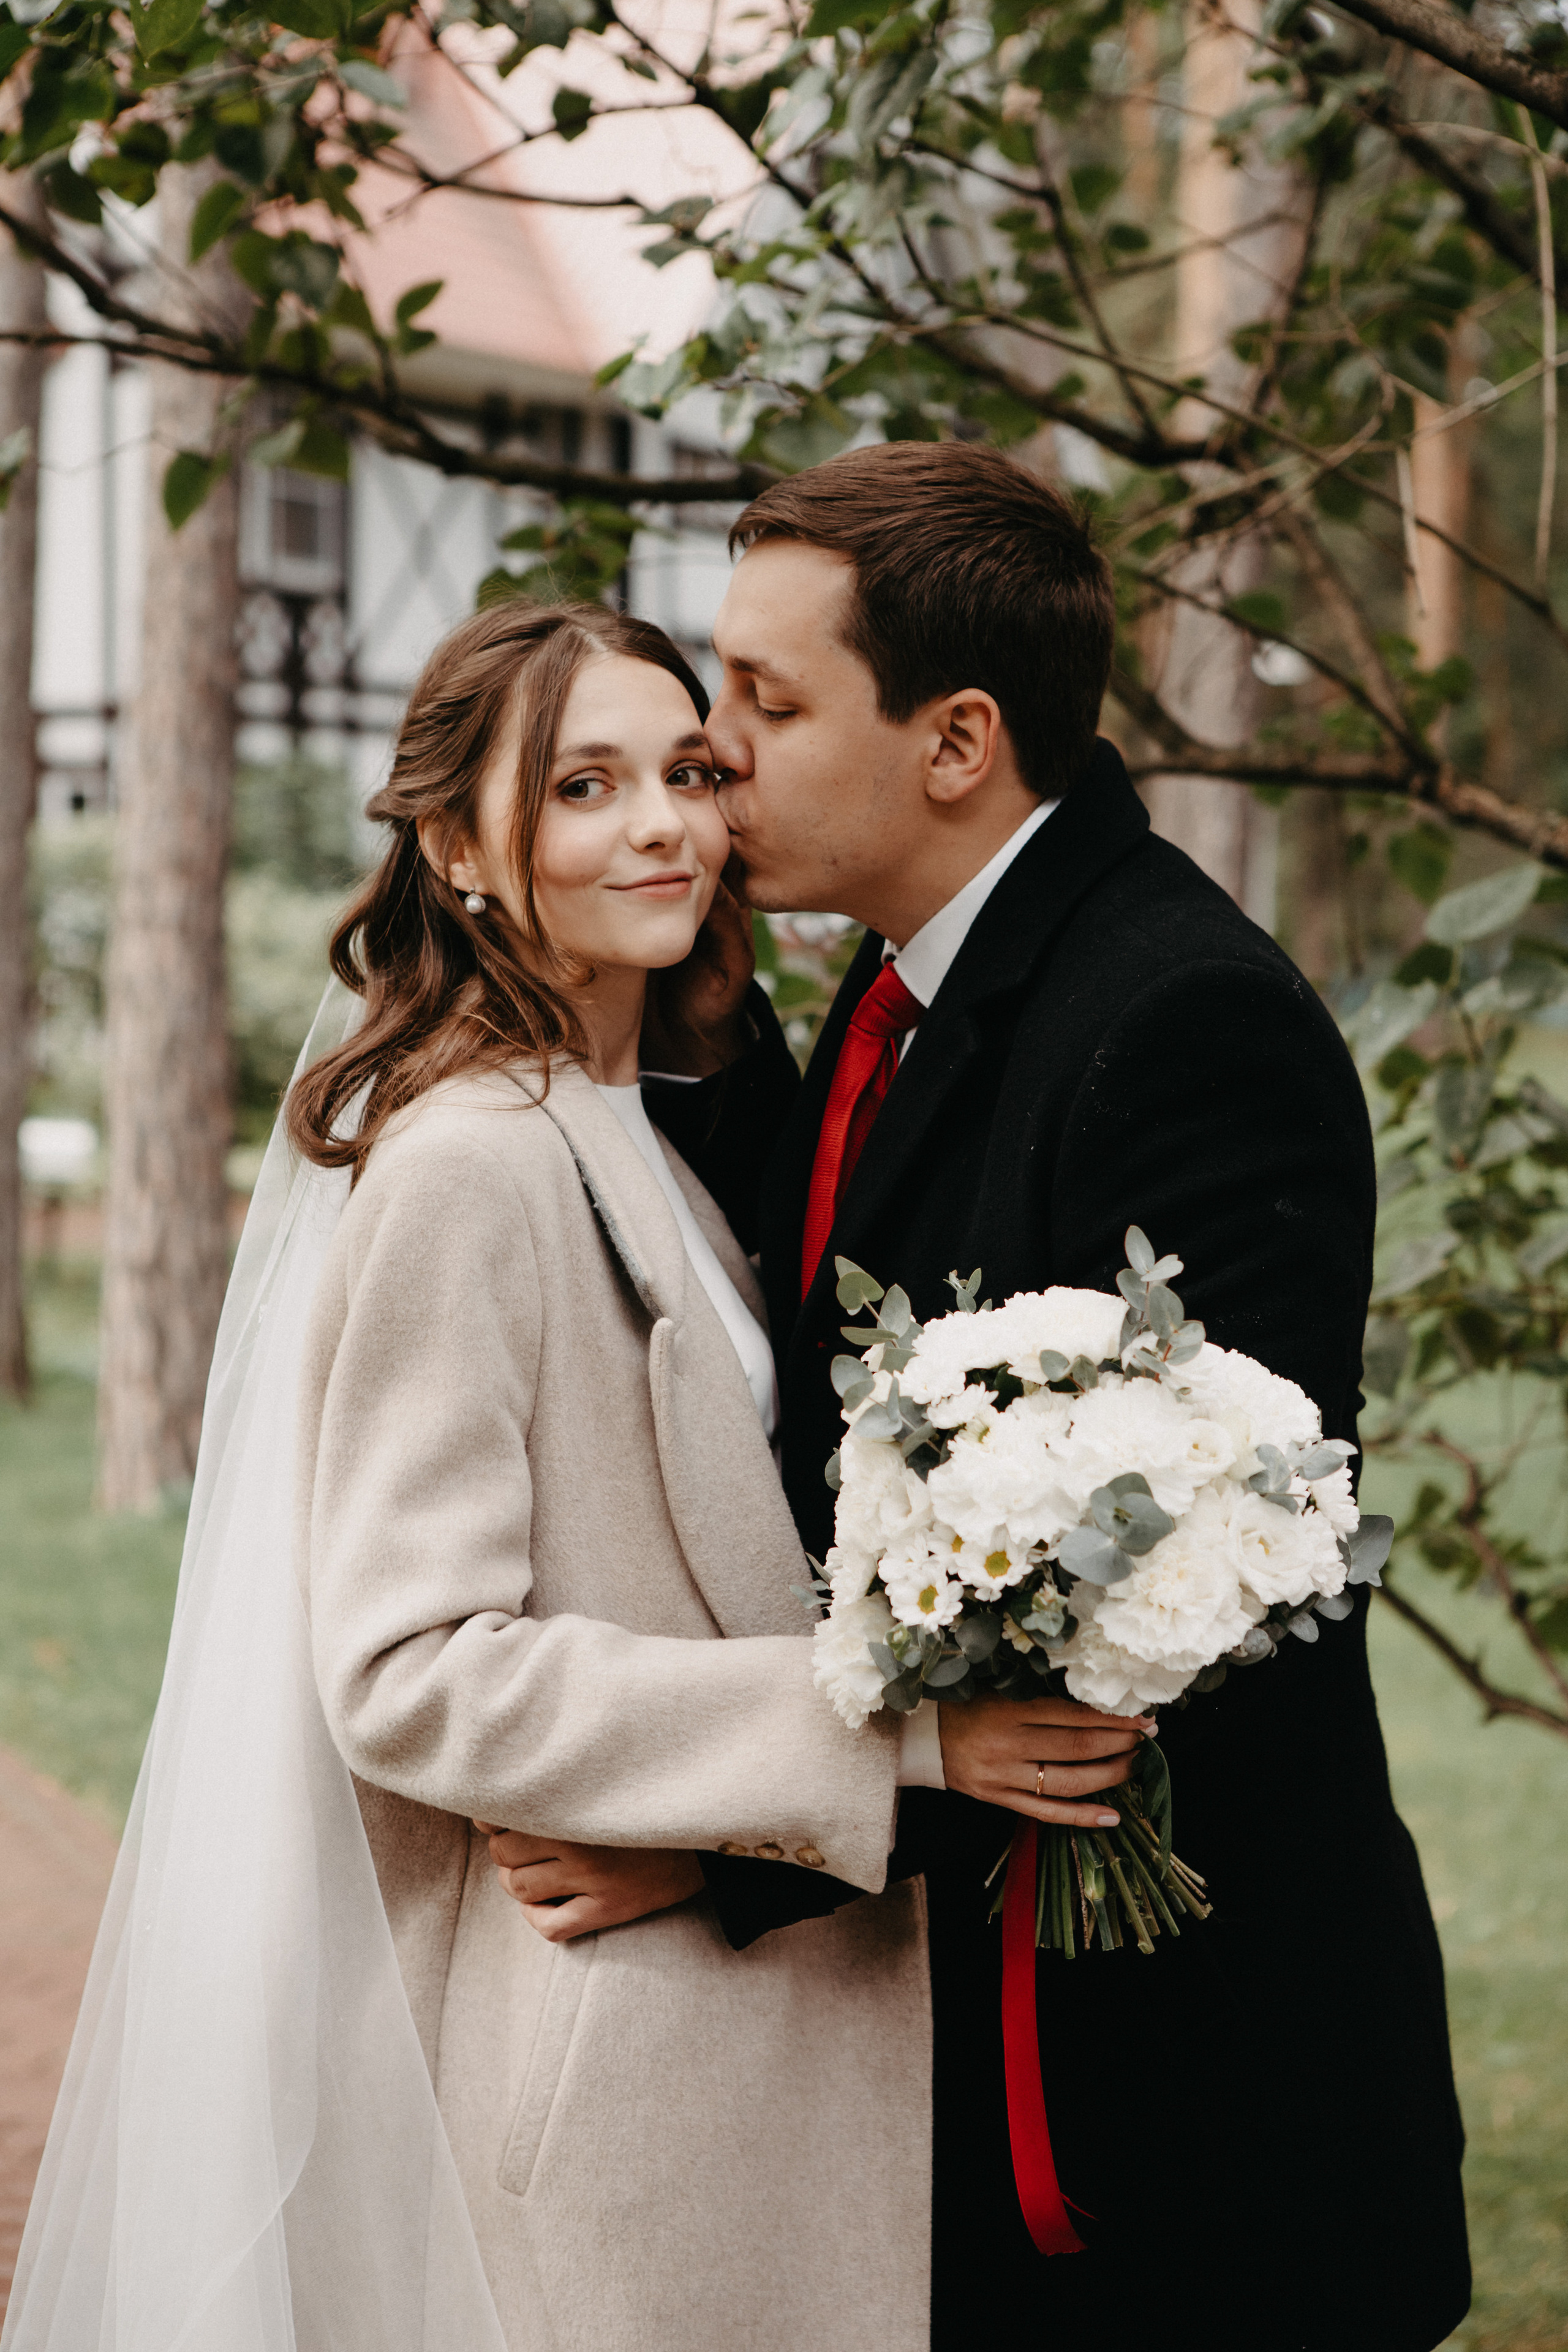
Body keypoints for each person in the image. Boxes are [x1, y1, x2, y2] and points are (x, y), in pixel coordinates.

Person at [12, 597, 1144, 2351]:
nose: (664, 825)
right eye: (585, 787)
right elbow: (409, 1670)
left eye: (688, 771)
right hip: (617, 2077)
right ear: (462, 845)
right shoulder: (472, 1167)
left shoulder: (638, 1132)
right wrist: (892, 1738)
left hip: (743, 2049)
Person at [488, 442, 1472, 2352]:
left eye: (767, 707)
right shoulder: (892, 976)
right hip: (957, 2057)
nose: (714, 757)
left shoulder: (1187, 1022)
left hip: (1186, 2112)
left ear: (956, 743)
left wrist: (710, 1843)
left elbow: (1186, 1614)